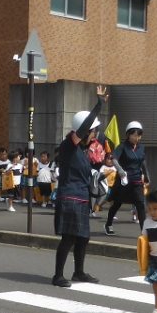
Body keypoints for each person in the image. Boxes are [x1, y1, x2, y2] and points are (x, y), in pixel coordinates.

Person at [52, 85, 109, 288]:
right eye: (93, 131)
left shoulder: (83, 152)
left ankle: (79, 272)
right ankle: (58, 275)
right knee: (68, 238)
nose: (94, 134)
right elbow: (83, 129)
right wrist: (99, 105)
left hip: (82, 198)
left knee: (83, 238)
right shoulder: (69, 145)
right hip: (69, 198)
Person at [105, 121, 149, 235]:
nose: (137, 138)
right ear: (128, 134)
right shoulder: (122, 147)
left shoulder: (141, 147)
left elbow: (143, 162)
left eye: (139, 135)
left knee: (140, 205)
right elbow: (114, 158)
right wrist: (120, 170)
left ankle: (144, 232)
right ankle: (109, 223)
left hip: (137, 181)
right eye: (134, 135)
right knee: (117, 203)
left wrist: (147, 175)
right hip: (124, 181)